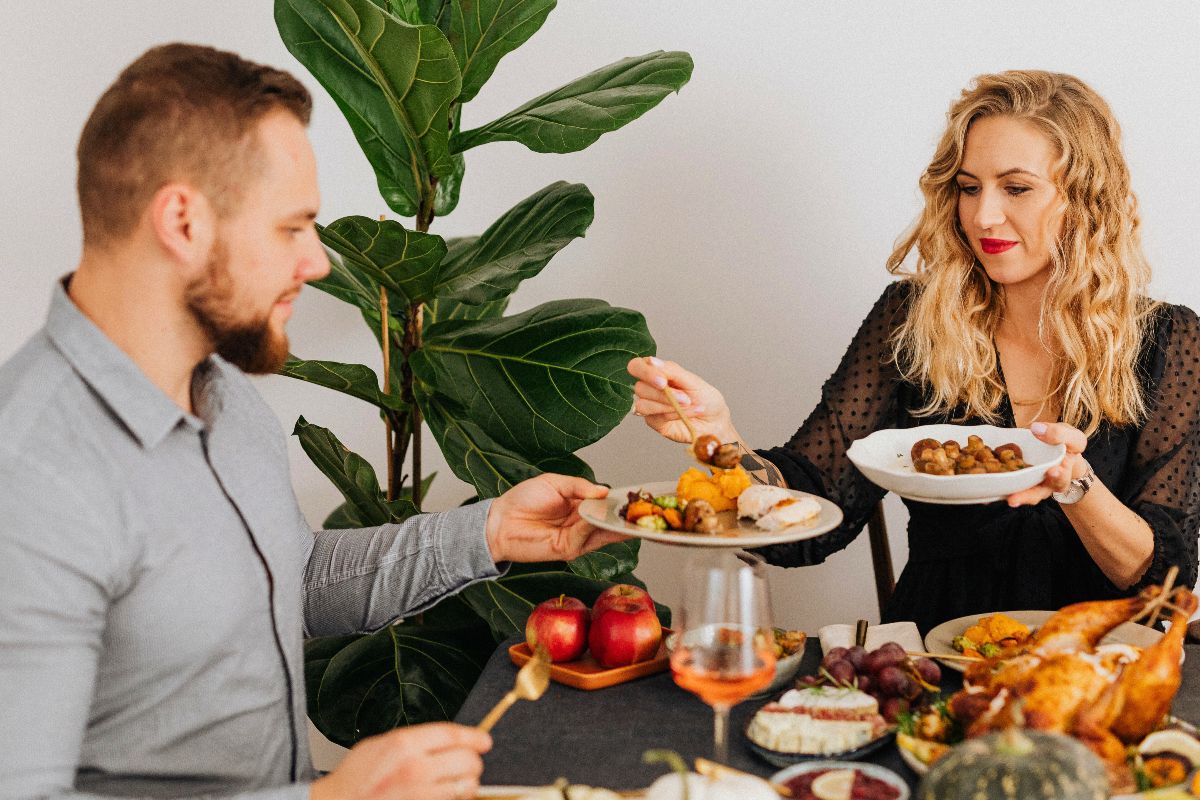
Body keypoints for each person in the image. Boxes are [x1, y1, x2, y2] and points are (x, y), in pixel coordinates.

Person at [0, 43, 625, 800]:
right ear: (183, 221)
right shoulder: (31, 475)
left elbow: (287, 577)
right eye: (292, 228)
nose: (321, 262)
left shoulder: (222, 393)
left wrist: (489, 533)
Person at [629, 70, 1200, 634]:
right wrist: (723, 438)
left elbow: (1166, 588)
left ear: (1085, 198)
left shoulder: (1170, 343)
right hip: (930, 663)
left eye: (1017, 188)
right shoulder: (915, 320)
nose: (984, 216)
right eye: (969, 187)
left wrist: (1076, 485)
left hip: (1097, 677)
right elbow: (812, 516)